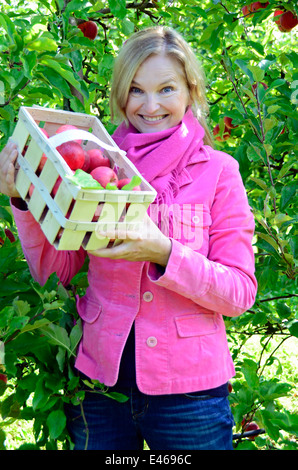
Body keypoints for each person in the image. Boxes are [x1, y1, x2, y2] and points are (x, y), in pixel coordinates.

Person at [0, 26, 257, 450]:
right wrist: (25, 203)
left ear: (191, 90)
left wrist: (163, 251)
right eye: (136, 90)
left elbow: (239, 292)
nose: (150, 106)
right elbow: (56, 273)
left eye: (166, 89)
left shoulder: (218, 171)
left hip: (188, 395)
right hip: (101, 387)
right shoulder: (96, 165)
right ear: (121, 95)